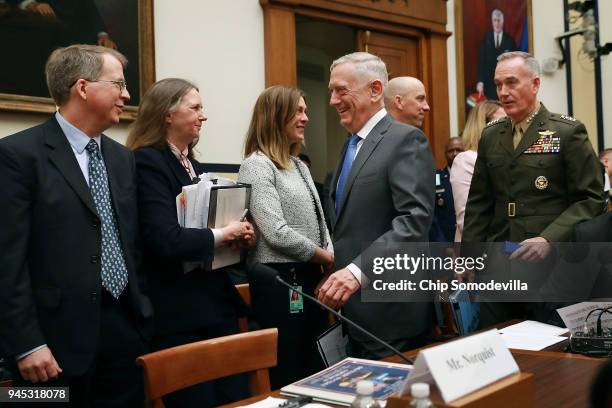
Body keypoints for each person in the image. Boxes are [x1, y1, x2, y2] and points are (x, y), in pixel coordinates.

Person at [0, 44, 151, 407]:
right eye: (118, 84)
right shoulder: (18, 155)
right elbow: (6, 261)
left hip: (123, 332)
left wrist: (142, 316)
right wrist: (26, 344)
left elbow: (129, 241)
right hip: (49, 346)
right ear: (83, 88)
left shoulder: (121, 158)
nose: (127, 95)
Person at [126, 78, 254, 407]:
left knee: (234, 396)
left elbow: (203, 226)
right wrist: (224, 235)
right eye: (195, 108)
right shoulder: (148, 162)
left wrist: (239, 234)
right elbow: (164, 238)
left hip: (213, 304)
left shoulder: (193, 164)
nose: (203, 116)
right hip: (180, 311)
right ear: (167, 114)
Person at [463, 51, 604, 325]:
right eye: (499, 84)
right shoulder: (492, 134)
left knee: (549, 355)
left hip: (550, 270)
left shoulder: (566, 132)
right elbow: (479, 203)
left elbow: (590, 199)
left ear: (535, 84)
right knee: (495, 348)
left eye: (512, 82)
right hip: (498, 267)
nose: (503, 92)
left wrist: (548, 239)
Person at [317, 52, 435, 358]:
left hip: (391, 314)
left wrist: (357, 272)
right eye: (331, 91)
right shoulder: (351, 144)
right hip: (352, 313)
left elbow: (413, 222)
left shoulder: (406, 140)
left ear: (375, 89)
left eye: (341, 90)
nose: (332, 100)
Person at [237, 85, 333, 388]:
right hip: (279, 282)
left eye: (306, 111)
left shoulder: (299, 166)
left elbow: (321, 222)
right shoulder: (256, 165)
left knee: (315, 364)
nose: (305, 118)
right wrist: (323, 256)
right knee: (287, 369)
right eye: (299, 111)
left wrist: (328, 259)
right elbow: (275, 232)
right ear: (276, 116)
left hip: (310, 275)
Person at [384, 76, 463, 243]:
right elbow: (415, 214)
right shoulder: (411, 140)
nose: (427, 107)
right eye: (420, 99)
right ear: (399, 101)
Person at [450, 100, 504, 241]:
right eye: (501, 122)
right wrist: (510, 247)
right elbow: (468, 221)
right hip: (481, 253)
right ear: (482, 126)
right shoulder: (466, 160)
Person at [476, 9, 518, 101]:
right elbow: (481, 62)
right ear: (492, 21)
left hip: (505, 83)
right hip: (488, 84)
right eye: (495, 20)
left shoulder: (510, 40)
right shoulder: (486, 38)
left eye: (499, 20)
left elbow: (515, 63)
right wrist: (480, 82)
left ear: (503, 21)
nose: (497, 23)